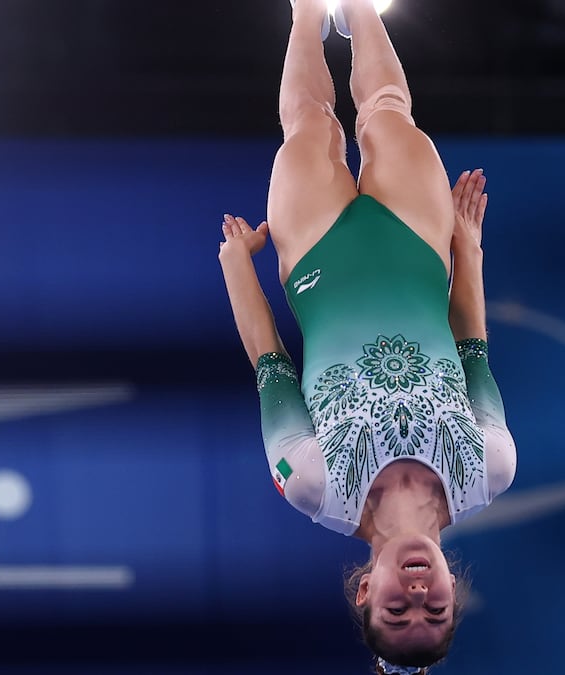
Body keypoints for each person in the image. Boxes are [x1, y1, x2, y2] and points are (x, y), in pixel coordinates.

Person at [217, 1, 517, 673]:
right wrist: (467, 248)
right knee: (386, 109)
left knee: (309, 127)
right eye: (435, 609)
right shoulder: (489, 466)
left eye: (396, 610)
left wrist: (239, 269)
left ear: (363, 591)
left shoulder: (313, 484)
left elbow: (270, 364)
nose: (416, 593)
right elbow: (472, 348)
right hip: (417, 249)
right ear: (454, 591)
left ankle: (303, 11)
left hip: (319, 260)